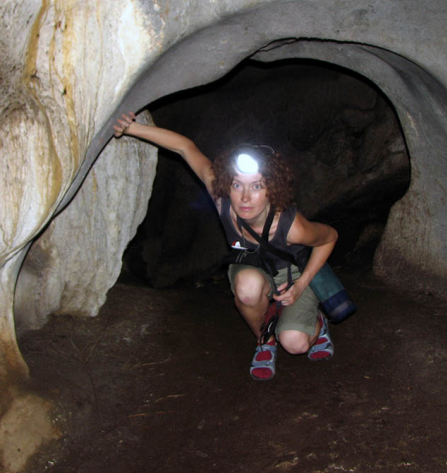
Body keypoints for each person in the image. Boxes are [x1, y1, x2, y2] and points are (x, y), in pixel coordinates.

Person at [113, 112, 338, 380]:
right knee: (246, 290)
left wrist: (301, 285)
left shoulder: (292, 226)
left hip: (294, 274)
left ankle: (316, 324)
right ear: (226, 186)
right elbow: (185, 148)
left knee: (295, 343)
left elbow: (329, 237)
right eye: (237, 185)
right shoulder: (222, 200)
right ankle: (264, 339)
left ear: (271, 190)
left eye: (256, 186)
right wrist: (132, 128)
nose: (245, 197)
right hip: (253, 268)